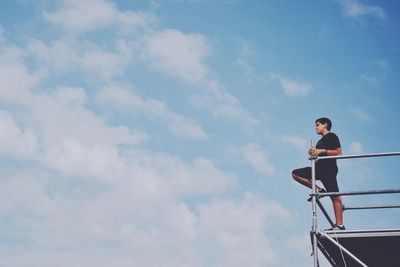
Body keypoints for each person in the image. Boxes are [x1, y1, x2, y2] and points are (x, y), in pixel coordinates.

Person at [292, 117, 345, 230]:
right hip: (319, 167)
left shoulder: (332, 136)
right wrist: (314, 153)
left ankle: (339, 225)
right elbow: (319, 154)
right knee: (295, 174)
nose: (315, 127)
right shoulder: (320, 141)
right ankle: (318, 190)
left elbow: (338, 153)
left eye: (317, 125)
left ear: (325, 125)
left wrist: (322, 151)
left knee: (335, 196)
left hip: (329, 169)